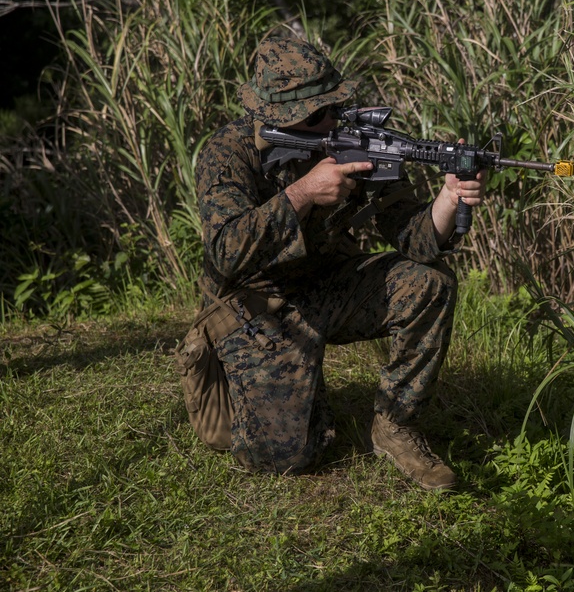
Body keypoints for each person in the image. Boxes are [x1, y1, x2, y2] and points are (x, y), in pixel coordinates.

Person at [189, 34, 485, 490]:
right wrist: (303, 193)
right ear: (278, 116)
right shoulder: (227, 153)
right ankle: (241, 376)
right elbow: (226, 254)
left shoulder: (358, 143)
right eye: (317, 114)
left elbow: (415, 239)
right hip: (257, 308)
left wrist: (447, 201)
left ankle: (394, 425)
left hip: (327, 286)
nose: (332, 119)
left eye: (334, 107)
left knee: (430, 282)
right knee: (287, 457)